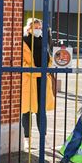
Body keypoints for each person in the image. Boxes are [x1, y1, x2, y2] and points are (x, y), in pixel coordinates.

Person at [21, 18, 55, 150]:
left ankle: (43, 138)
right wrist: (34, 72)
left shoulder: (44, 40)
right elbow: (21, 62)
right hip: (29, 80)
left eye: (40, 27)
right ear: (29, 28)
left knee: (42, 110)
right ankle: (27, 139)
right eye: (36, 27)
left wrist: (47, 69)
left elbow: (49, 58)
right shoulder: (24, 41)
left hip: (42, 79)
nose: (38, 29)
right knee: (27, 110)